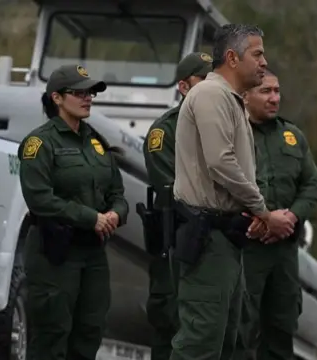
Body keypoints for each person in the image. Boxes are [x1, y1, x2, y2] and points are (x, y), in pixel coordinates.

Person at [171, 24, 295, 360]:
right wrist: (262, 210)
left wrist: (250, 213)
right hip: (207, 238)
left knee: (228, 340)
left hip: (226, 237)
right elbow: (221, 162)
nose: (264, 62)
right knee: (200, 342)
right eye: (257, 54)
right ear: (232, 58)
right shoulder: (211, 95)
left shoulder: (232, 100)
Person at [18, 64, 129, 360]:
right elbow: (40, 198)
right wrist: (91, 217)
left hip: (92, 254)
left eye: (90, 92)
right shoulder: (39, 143)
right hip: (55, 254)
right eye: (79, 93)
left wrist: (115, 214)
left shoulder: (96, 142)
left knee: (89, 331)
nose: (88, 98)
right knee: (51, 335)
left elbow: (116, 193)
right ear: (57, 98)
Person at [233, 69, 317, 359]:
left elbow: (311, 185)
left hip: (284, 251)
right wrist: (261, 220)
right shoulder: (231, 134)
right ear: (245, 96)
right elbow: (220, 185)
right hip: (245, 249)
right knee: (239, 331)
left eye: (277, 91)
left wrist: (291, 218)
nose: (274, 98)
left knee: (282, 328)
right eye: (266, 91)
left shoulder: (292, 135)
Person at [142, 52, 213, 360]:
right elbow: (173, 188)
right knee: (171, 321)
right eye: (206, 81)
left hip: (218, 242)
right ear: (185, 87)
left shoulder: (226, 126)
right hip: (179, 240)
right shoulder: (165, 132)